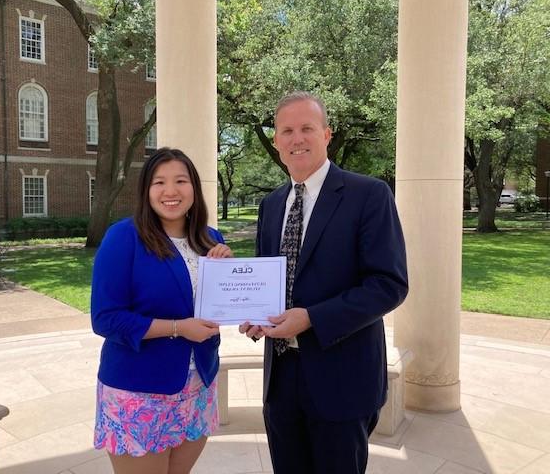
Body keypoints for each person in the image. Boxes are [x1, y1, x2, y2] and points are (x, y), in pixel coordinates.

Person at [239, 91, 409, 473]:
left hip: (343, 378)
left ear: (327, 134)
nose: (296, 138)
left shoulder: (369, 195)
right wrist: (253, 313)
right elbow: (270, 282)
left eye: (306, 128)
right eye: (286, 130)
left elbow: (389, 283)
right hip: (280, 381)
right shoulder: (270, 205)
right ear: (277, 141)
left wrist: (312, 317)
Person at [91, 147, 233, 474]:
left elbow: (214, 308)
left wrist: (226, 274)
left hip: (199, 384)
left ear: (194, 189)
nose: (171, 191)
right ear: (146, 191)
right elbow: (105, 318)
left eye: (181, 181)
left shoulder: (210, 238)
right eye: (160, 182)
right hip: (139, 391)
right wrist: (179, 327)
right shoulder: (123, 237)